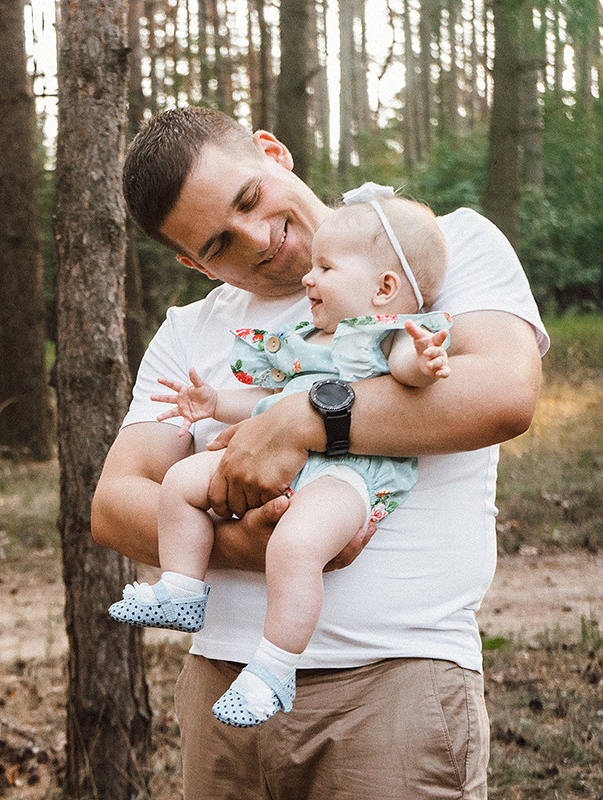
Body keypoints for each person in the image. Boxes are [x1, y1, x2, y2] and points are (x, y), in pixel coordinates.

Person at [91, 107, 548, 800]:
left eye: (249, 198)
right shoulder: (190, 332)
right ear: (192, 263)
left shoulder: (431, 248)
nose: (255, 240)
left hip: (392, 685)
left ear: (274, 152)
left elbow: (504, 393)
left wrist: (307, 417)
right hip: (222, 690)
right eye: (218, 243)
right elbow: (116, 504)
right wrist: (248, 544)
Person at [108, 186, 453, 728]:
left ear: (385, 288)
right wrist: (214, 402)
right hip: (279, 464)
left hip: (345, 478)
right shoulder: (304, 338)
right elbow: (269, 399)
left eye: (326, 268)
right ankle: (181, 588)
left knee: (295, 545)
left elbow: (407, 366)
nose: (309, 279)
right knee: (179, 481)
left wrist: (425, 359)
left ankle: (273, 667)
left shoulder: (388, 335)